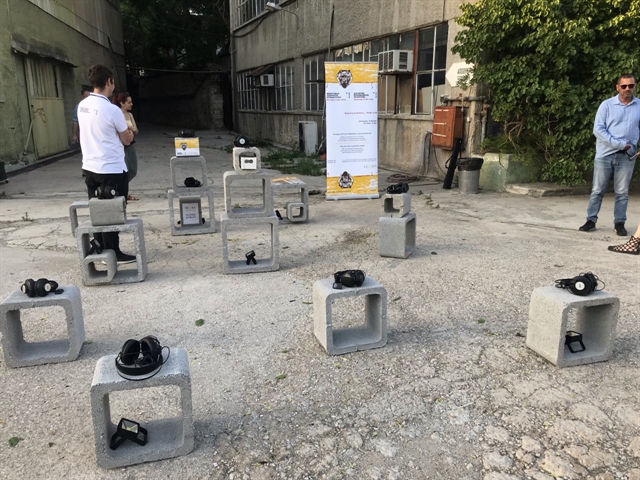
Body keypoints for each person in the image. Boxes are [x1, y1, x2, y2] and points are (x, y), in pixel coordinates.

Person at [77, 65, 136, 263]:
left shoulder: (83, 106)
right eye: (113, 82)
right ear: (109, 81)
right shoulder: (112, 110)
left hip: (90, 167)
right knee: (113, 211)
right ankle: (113, 252)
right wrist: (127, 134)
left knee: (97, 211)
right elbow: (126, 139)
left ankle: (100, 247)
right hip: (111, 168)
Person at [580, 73, 640, 236]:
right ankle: (591, 220)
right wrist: (619, 144)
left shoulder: (639, 106)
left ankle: (619, 223)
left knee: (622, 192)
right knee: (597, 190)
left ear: (634, 86)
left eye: (631, 85)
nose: (627, 89)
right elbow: (598, 130)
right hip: (605, 155)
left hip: (627, 156)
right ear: (617, 87)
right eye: (624, 86)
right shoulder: (606, 105)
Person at [112, 92, 139, 201]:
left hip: (130, 144)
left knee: (132, 169)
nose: (131, 104)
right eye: (128, 102)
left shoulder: (130, 115)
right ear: (121, 103)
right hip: (120, 145)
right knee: (123, 169)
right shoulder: (116, 114)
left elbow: (136, 130)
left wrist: (132, 129)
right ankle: (123, 191)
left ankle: (119, 188)